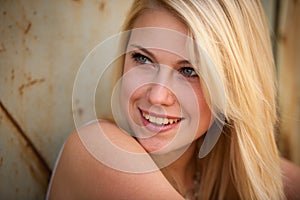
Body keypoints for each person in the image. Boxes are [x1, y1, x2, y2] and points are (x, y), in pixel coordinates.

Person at [47, 0, 300, 199]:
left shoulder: (238, 170)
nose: (157, 95)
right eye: (143, 59)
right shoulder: (97, 149)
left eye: (189, 71)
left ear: (233, 88)